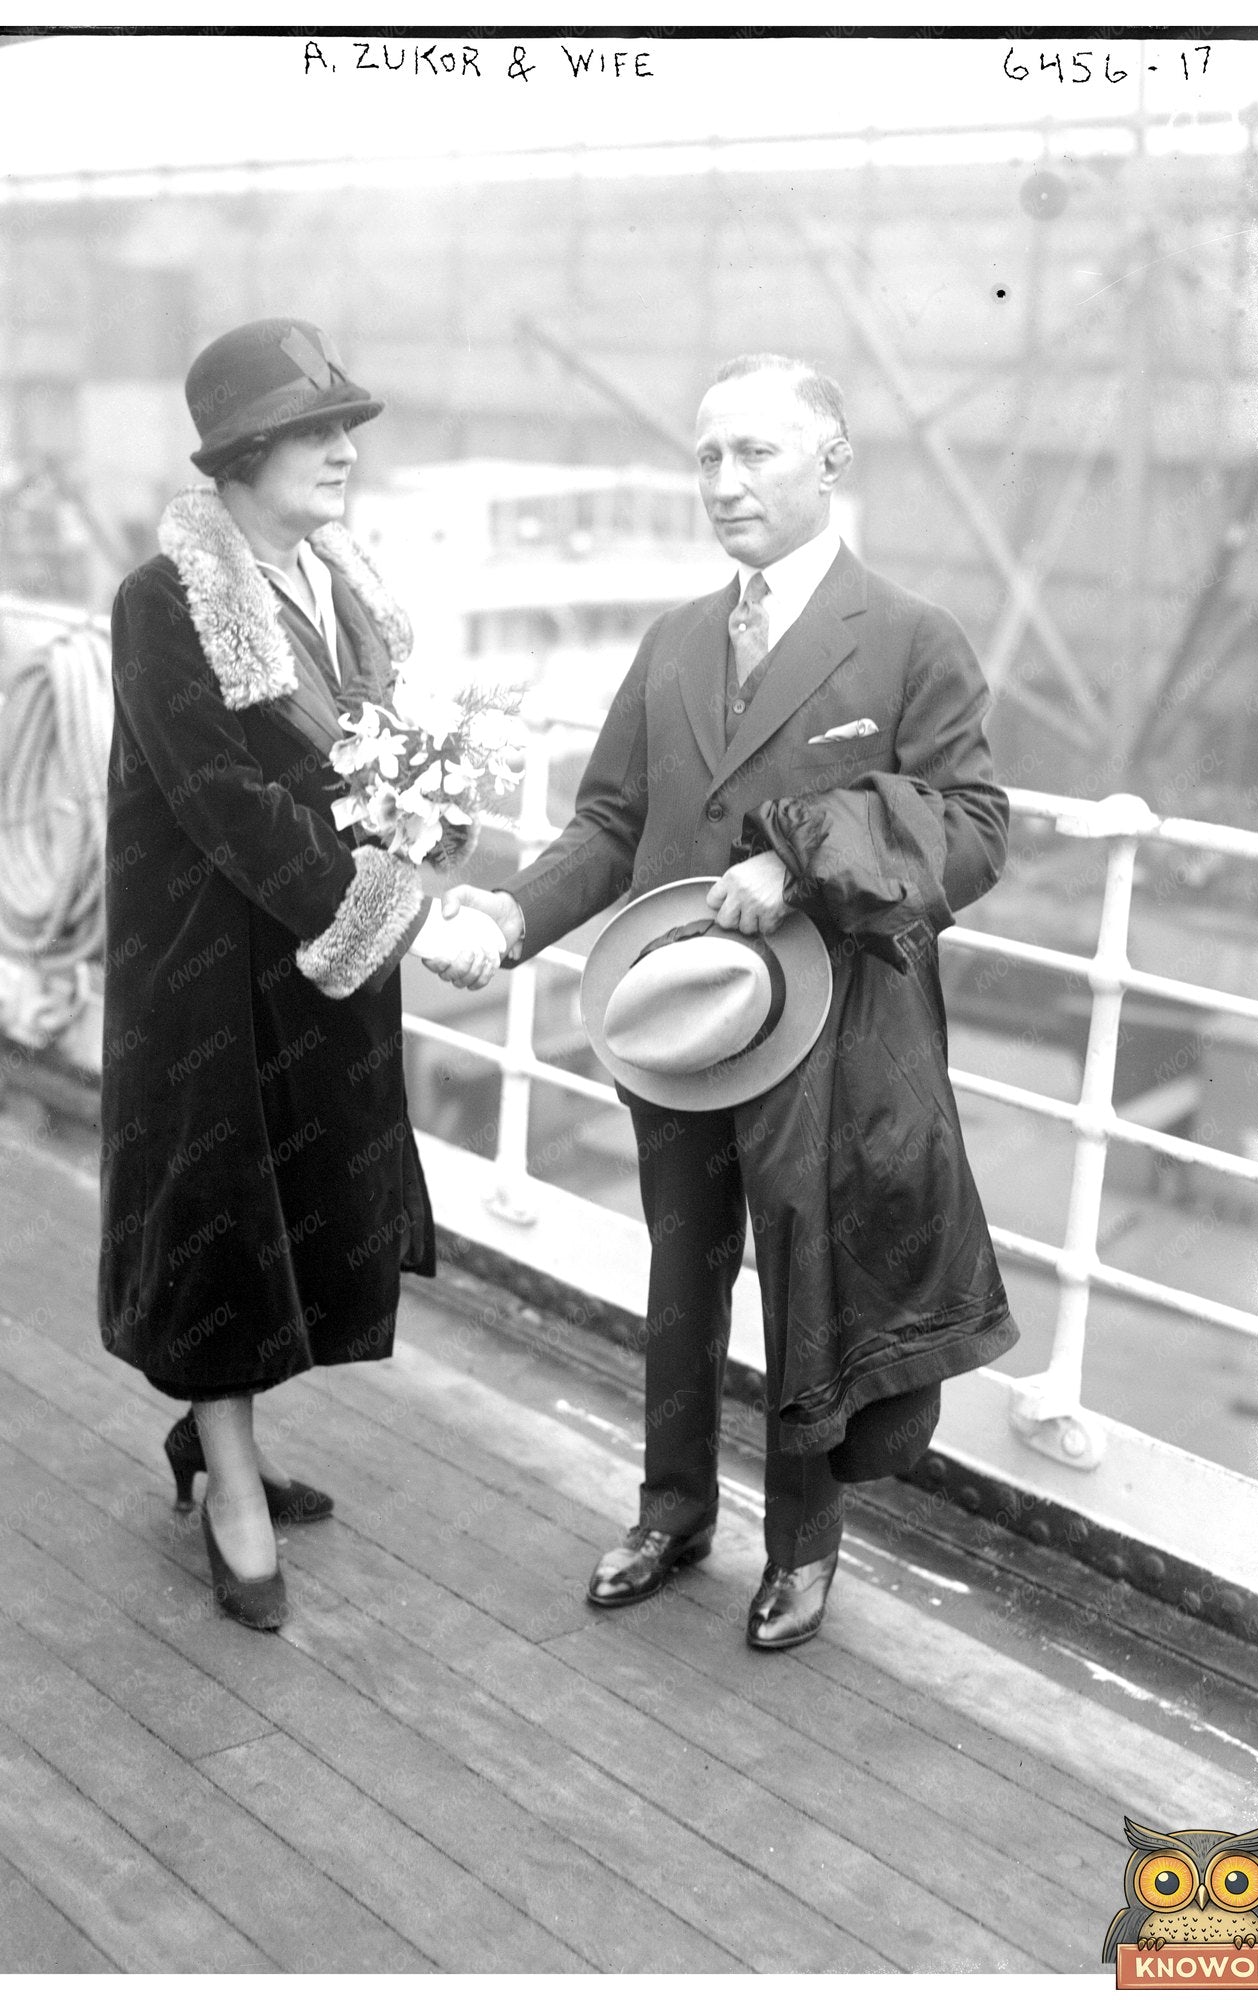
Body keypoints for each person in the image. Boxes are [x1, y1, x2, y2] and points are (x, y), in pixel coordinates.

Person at [436, 353, 1019, 1650]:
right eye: (706, 455)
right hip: (681, 1024)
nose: (724, 481)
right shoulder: (676, 640)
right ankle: (670, 1507)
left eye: (754, 452)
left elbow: (975, 831)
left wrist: (796, 851)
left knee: (807, 1282)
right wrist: (509, 917)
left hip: (829, 1038)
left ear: (831, 459)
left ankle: (803, 1546)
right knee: (682, 1267)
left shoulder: (913, 637)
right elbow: (608, 822)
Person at [100, 318, 503, 1630]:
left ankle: (223, 1443)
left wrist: (435, 840)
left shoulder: (343, 588)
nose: (344, 452)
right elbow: (232, 807)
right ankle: (228, 1490)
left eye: (346, 429)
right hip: (212, 975)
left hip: (319, 966)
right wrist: (398, 911)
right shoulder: (166, 603)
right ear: (243, 452)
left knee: (292, 1217)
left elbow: (379, 773)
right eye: (316, 429)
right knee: (220, 1212)